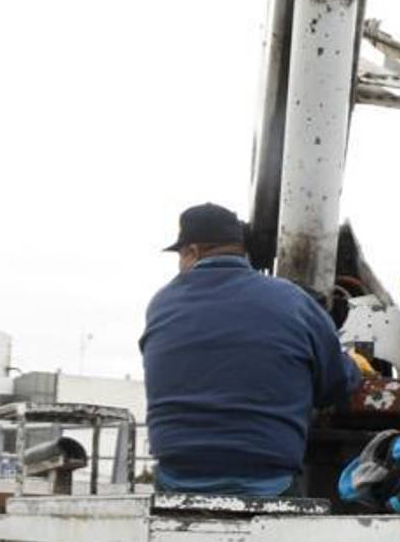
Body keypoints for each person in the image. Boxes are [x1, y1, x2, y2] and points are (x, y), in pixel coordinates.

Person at [139, 202, 364, 495]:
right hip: (269, 481)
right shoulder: (294, 301)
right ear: (240, 249)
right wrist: (354, 367)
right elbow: (336, 384)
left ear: (192, 252)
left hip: (177, 479)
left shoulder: (161, 304)